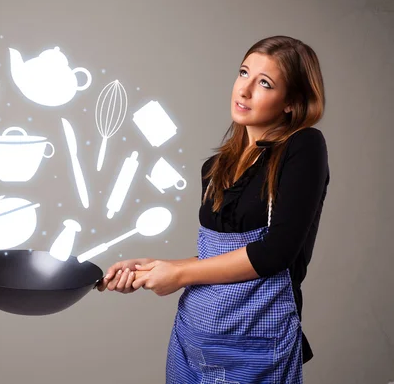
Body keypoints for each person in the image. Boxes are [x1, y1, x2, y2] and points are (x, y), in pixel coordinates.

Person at [97, 35, 330, 383]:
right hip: (191, 342)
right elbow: (218, 258)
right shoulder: (215, 166)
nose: (245, 90)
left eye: (264, 83)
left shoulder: (303, 147)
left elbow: (274, 253)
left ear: (291, 102)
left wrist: (178, 276)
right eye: (243, 73)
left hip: (253, 348)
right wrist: (155, 267)